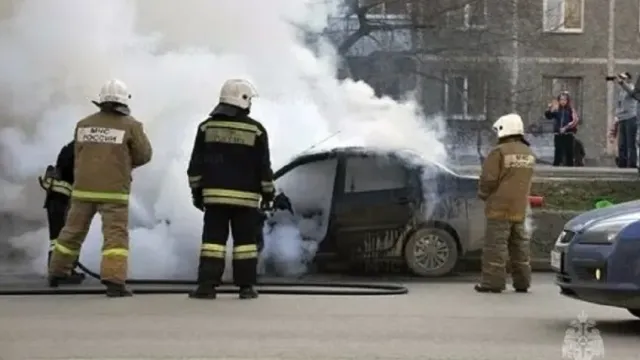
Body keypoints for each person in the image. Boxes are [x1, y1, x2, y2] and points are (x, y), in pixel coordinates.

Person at [48, 79, 153, 297]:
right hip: (114, 191)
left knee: (71, 232)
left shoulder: (84, 124)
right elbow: (144, 155)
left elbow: (77, 153)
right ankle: (114, 283)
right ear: (124, 101)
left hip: (83, 189)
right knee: (115, 238)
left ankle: (58, 272)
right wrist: (123, 163)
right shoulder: (131, 125)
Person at [187, 78, 274, 300]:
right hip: (246, 201)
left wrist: (196, 192)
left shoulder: (206, 127)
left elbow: (195, 167)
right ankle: (246, 288)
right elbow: (264, 169)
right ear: (243, 100)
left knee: (212, 243)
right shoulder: (256, 131)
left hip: (214, 199)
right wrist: (268, 194)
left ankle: (207, 286)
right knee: (245, 244)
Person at [475, 113, 536, 294]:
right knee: (520, 247)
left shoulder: (499, 152)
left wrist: (483, 194)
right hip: (519, 207)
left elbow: (489, 179)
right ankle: (522, 282)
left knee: (496, 246)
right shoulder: (528, 153)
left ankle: (493, 283)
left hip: (499, 208)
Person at [38, 140, 85, 284]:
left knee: (56, 238)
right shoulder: (80, 149)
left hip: (55, 198)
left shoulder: (70, 148)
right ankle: (62, 272)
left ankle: (58, 271)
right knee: (66, 237)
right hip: (62, 200)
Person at [544, 91, 579, 166]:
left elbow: (575, 120)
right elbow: (549, 116)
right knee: (558, 151)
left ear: (567, 101)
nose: (563, 102)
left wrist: (566, 128)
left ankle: (570, 167)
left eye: (564, 100)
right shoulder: (556, 109)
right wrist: (549, 109)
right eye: (561, 100)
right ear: (559, 101)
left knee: (569, 152)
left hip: (568, 134)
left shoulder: (571, 110)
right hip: (558, 134)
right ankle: (556, 166)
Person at [612, 72, 638, 168]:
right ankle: (622, 164)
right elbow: (618, 105)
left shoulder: (632, 88)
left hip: (631, 118)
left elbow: (631, 92)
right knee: (622, 143)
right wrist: (616, 116)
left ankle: (632, 164)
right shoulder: (621, 92)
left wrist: (622, 83)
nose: (621, 79)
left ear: (629, 79)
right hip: (622, 119)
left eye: (624, 78)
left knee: (630, 143)